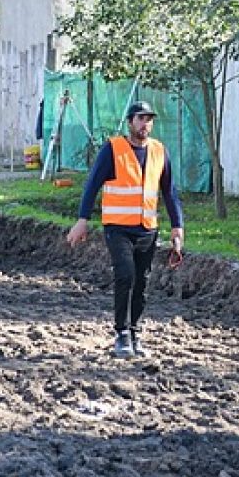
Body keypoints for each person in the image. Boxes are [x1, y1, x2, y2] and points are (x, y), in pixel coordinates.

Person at [65, 101, 184, 359]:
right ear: (130, 122)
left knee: (142, 281)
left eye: (149, 119)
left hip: (147, 229)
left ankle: (134, 331)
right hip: (118, 228)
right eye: (141, 119)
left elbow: (169, 191)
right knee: (125, 275)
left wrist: (177, 226)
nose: (145, 124)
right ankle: (121, 333)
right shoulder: (113, 149)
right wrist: (82, 220)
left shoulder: (159, 151)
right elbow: (92, 185)